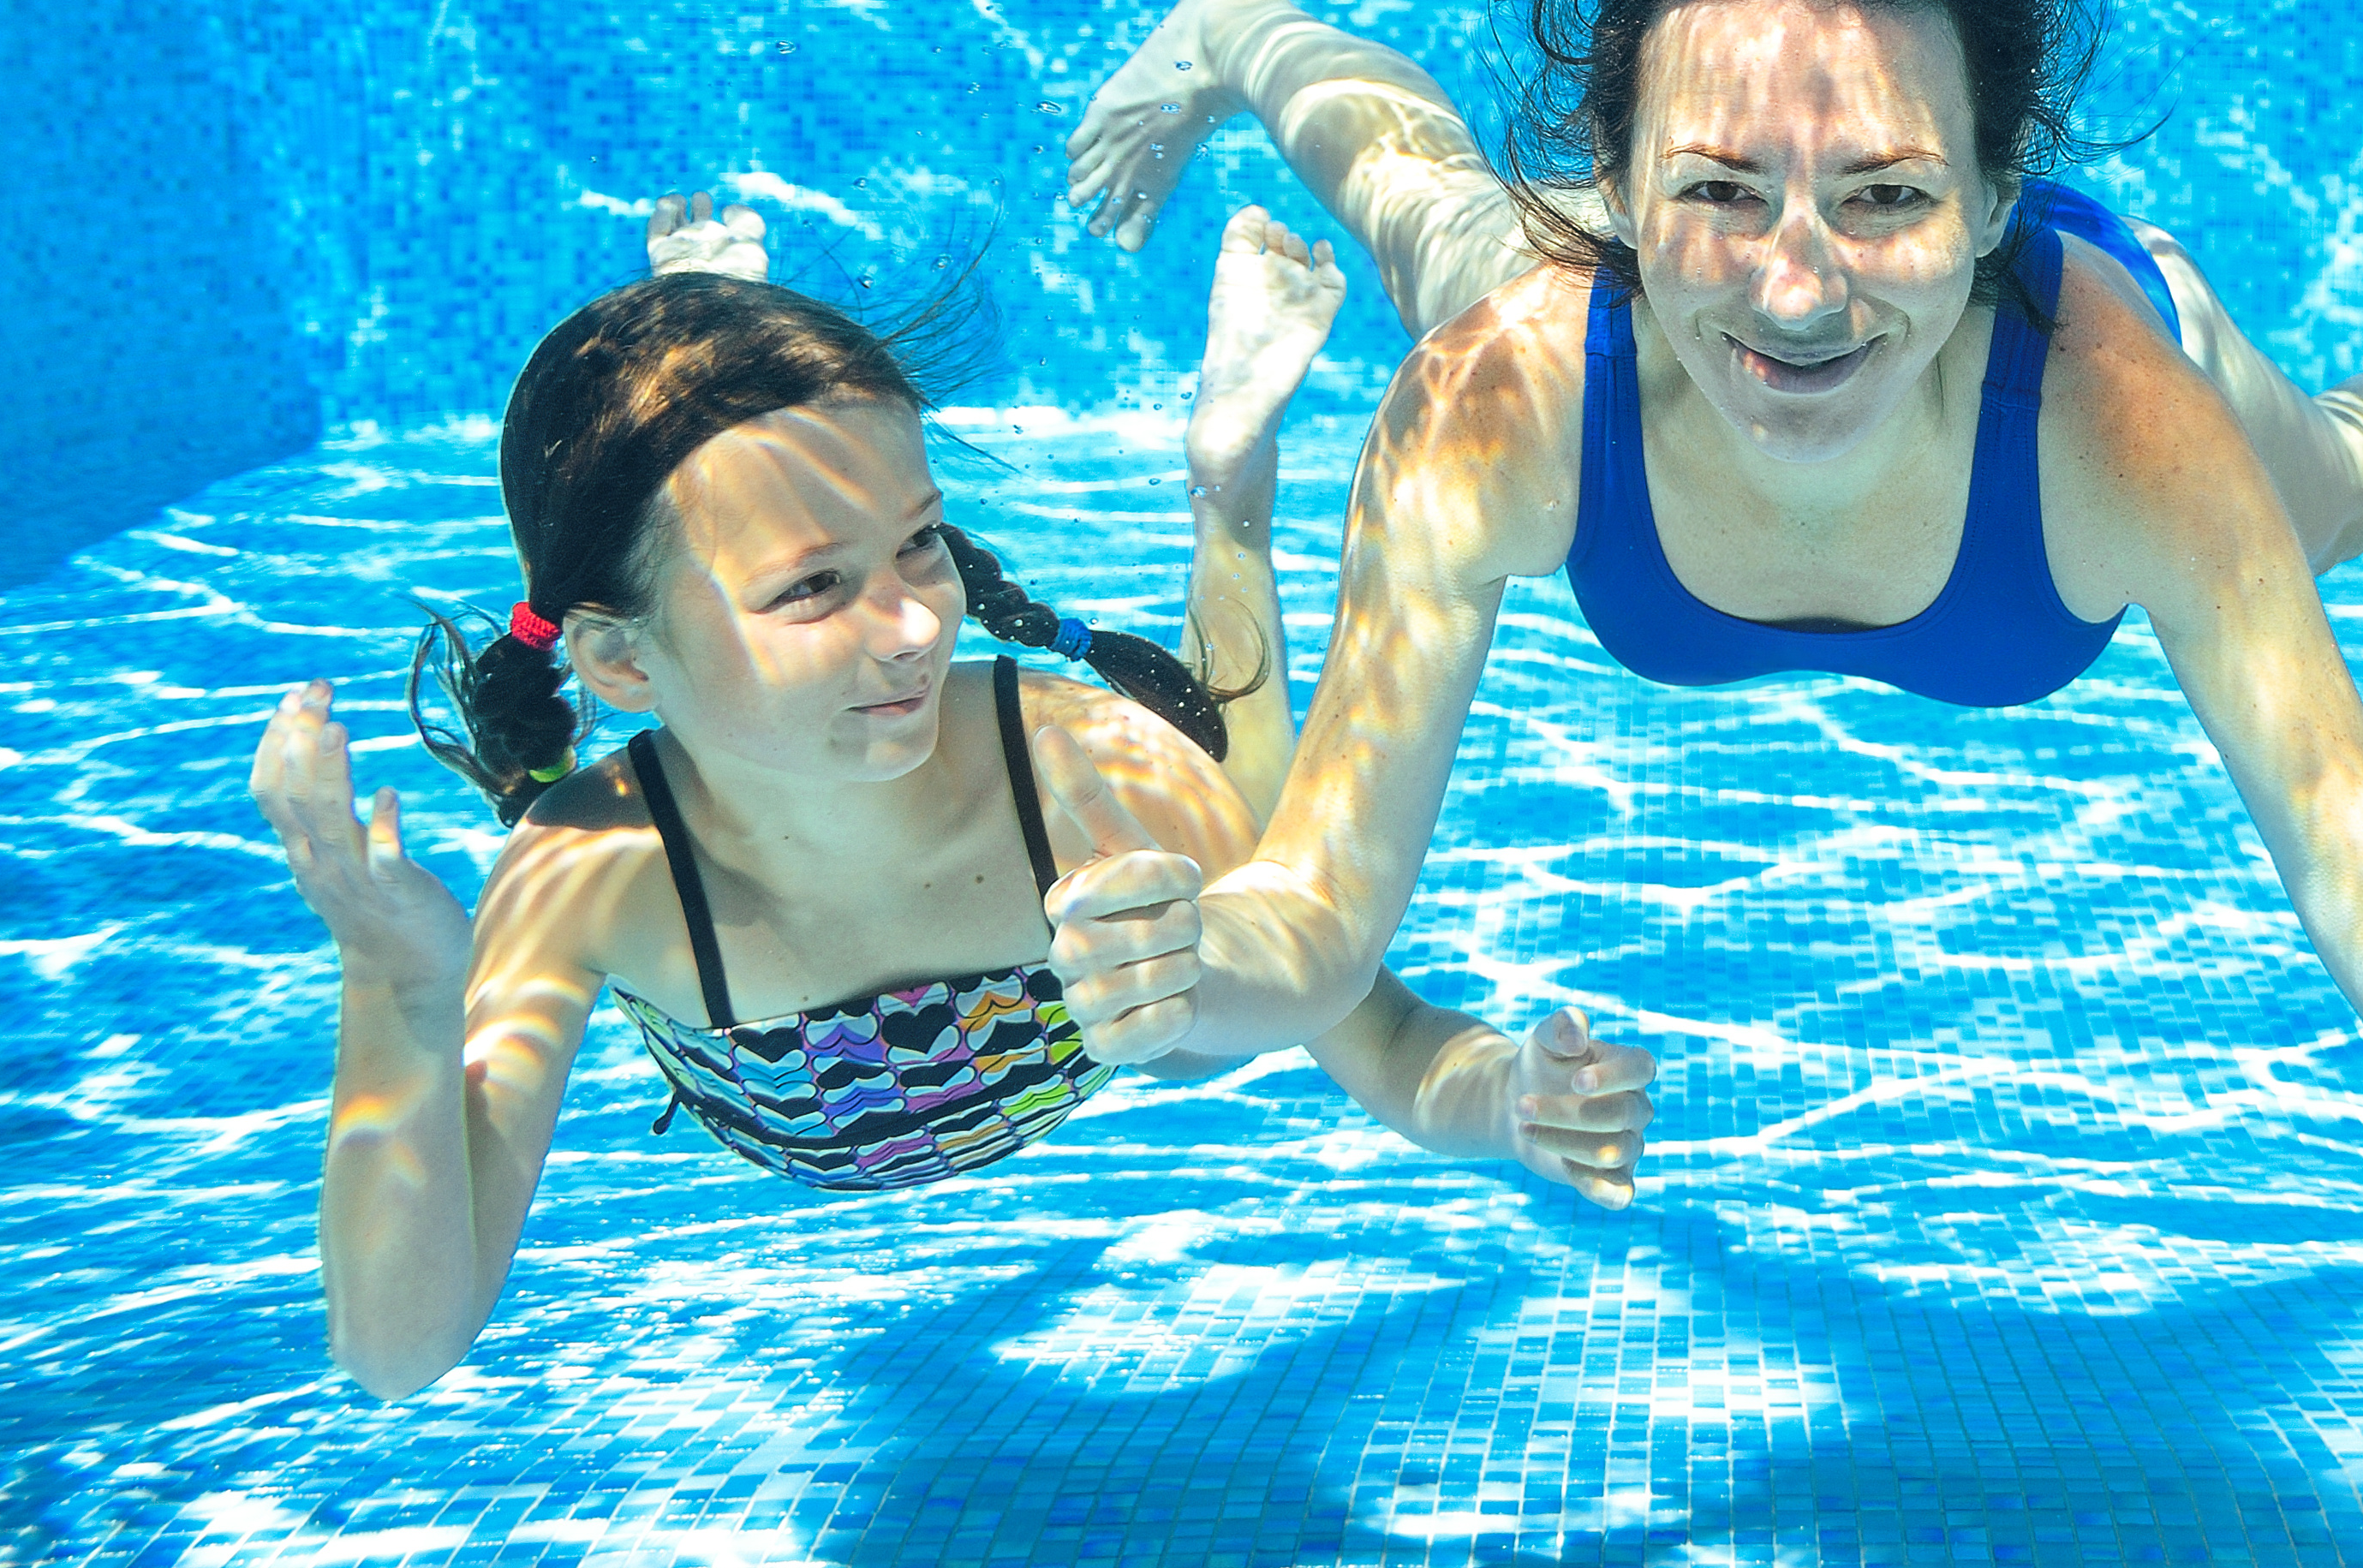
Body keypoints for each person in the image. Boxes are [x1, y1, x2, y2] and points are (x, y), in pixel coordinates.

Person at [1049, 0, 2363, 1132]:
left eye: (1887, 195)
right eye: (1719, 188)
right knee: (1431, 222)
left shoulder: (2118, 427)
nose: (1796, 296)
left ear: (1999, 198)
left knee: (2326, 495)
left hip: (2071, 359)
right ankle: (1242, 22)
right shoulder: (1506, 400)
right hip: (1621, 329)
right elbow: (1315, 909)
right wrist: (1196, 959)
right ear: (1610, 174)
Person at [249, 196, 1653, 1402]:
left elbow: (1368, 1019)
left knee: (1238, 916)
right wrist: (399, 994)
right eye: (812, 587)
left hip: (1099, 938)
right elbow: (401, 1350)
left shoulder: (1078, 771)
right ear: (619, 658)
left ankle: (1228, 487)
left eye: (920, 544)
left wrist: (1509, 1099)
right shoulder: (590, 870)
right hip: (760, 1000)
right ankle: (702, 315)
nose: (918, 627)